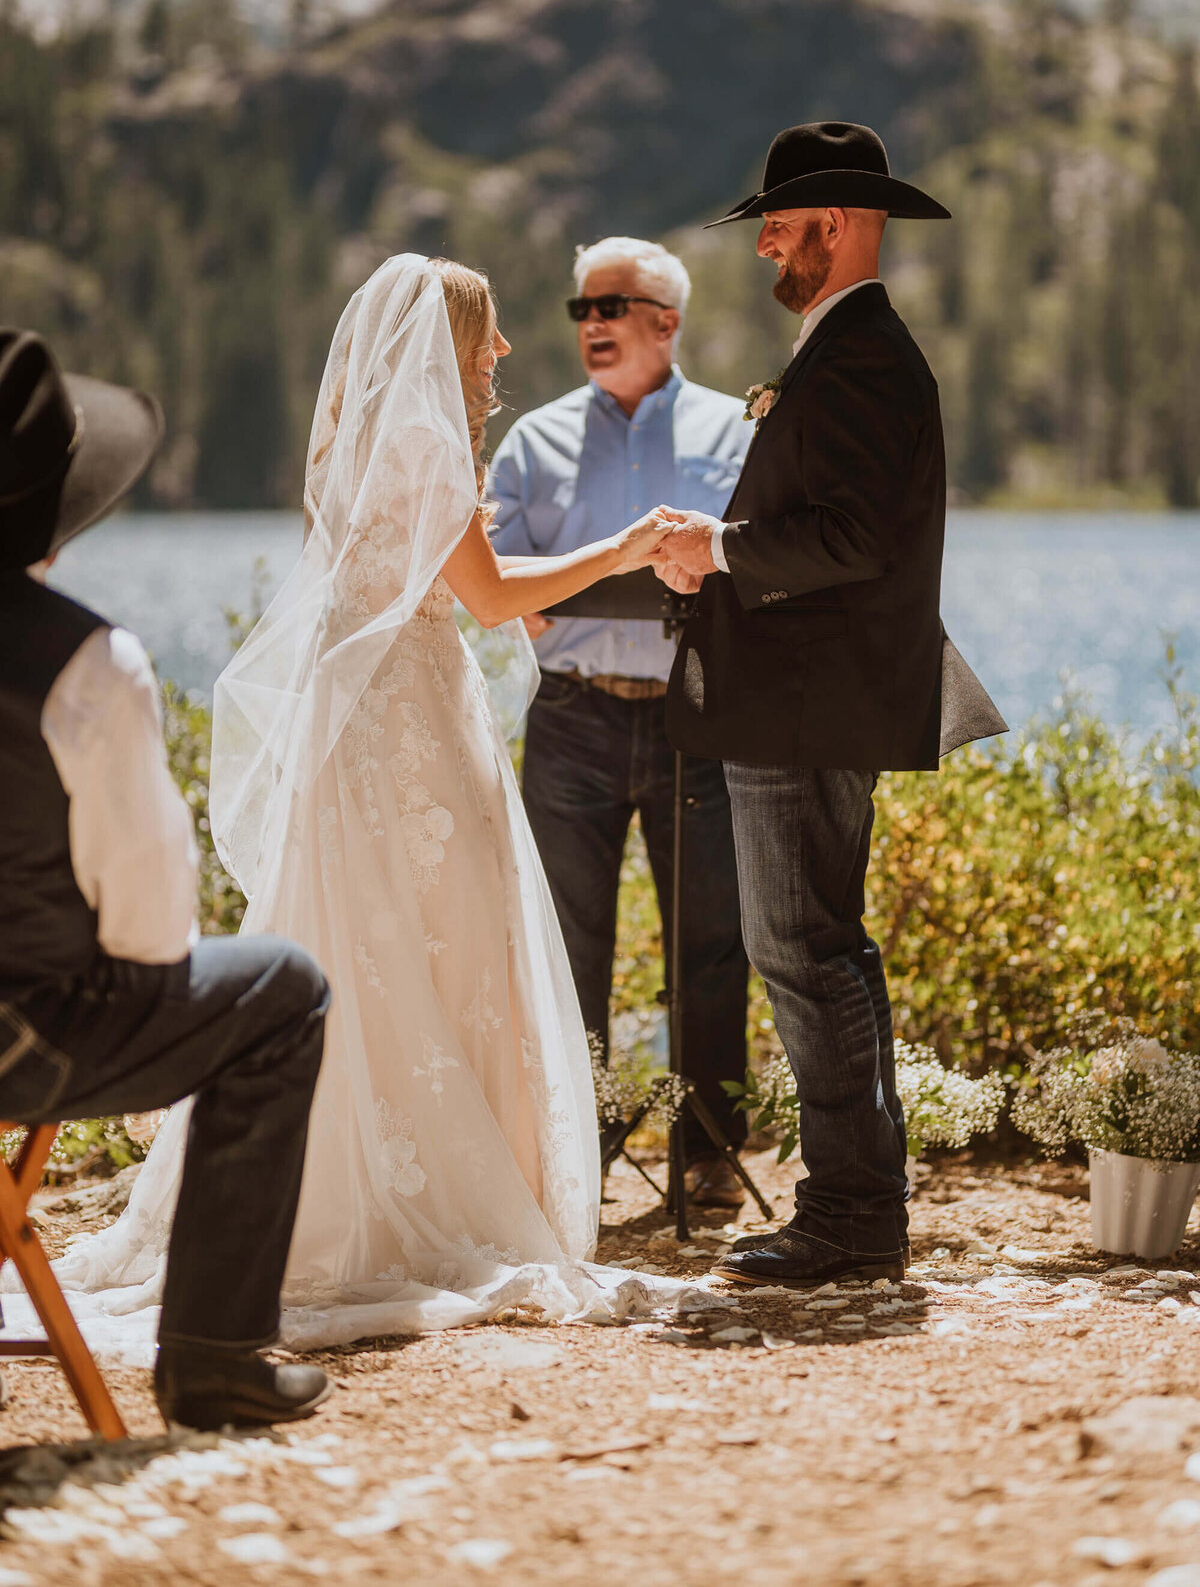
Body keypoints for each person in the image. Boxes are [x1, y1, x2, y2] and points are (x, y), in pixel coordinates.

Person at [56, 254, 700, 1349]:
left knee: (369, 942)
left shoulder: (361, 444)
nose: (499, 353)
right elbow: (492, 598)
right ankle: (410, 1206)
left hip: (360, 733)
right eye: (486, 333)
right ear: (445, 343)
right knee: (432, 946)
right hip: (412, 736)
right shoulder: (424, 444)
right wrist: (627, 545)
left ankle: (308, 1185)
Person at [649, 122, 1006, 1289]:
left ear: (842, 225)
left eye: (781, 225)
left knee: (801, 949)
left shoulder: (859, 355)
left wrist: (718, 546)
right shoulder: (847, 348)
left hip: (806, 707)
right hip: (804, 703)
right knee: (821, 948)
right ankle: (860, 1203)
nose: (764, 248)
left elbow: (850, 539)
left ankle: (852, 1213)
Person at [0, 329, 331, 1429]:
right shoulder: (86, 662)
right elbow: (147, 941)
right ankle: (214, 1357)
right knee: (284, 989)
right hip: (26, 1029)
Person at [489, 238, 752, 1208]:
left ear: (667, 323)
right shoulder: (531, 442)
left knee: (713, 940)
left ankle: (712, 1150)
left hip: (700, 715)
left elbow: (749, 568)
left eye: (613, 304)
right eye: (581, 308)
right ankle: (575, 1155)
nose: (591, 322)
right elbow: (511, 592)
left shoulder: (738, 431)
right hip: (572, 720)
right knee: (564, 943)